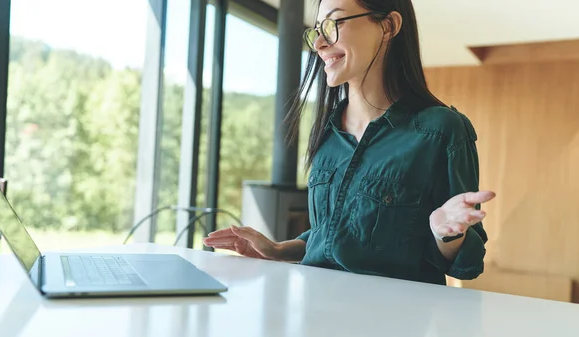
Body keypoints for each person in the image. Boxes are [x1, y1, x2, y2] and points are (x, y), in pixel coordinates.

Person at [204, 0, 496, 285]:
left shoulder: (442, 130)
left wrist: (446, 233)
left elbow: (469, 264)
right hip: (315, 313)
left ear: (388, 25)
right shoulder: (327, 132)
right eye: (316, 29)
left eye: (333, 24)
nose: (319, 43)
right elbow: (330, 235)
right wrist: (279, 250)